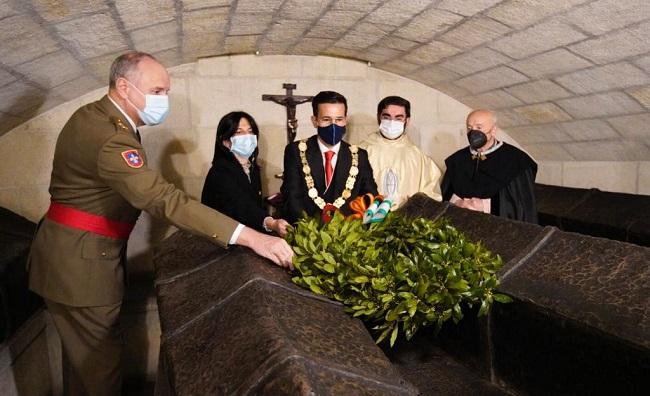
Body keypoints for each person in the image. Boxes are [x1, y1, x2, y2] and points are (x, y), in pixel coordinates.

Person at [27, 52, 293, 396]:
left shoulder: (97, 117)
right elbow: (164, 200)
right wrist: (253, 238)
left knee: (82, 366)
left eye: (166, 91)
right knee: (98, 372)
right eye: (157, 91)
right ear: (124, 87)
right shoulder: (111, 137)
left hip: (68, 255)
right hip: (81, 266)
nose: (163, 100)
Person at [281, 90, 377, 223]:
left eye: (339, 119)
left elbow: (369, 197)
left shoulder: (359, 155)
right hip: (307, 234)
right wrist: (311, 232)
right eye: (326, 119)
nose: (333, 125)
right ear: (314, 121)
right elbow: (292, 198)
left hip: (348, 235)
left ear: (345, 120)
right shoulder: (295, 151)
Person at [441, 109, 538, 223]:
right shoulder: (457, 159)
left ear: (493, 130)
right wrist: (457, 202)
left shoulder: (516, 160)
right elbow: (445, 193)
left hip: (497, 228)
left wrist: (484, 206)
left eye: (479, 127)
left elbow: (521, 205)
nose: (473, 133)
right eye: (469, 128)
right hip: (460, 223)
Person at [201, 111, 290, 235]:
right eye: (239, 132)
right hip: (225, 237)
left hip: (249, 233)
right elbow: (242, 207)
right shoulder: (220, 172)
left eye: (250, 131)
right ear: (225, 141)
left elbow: (255, 204)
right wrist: (271, 223)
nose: (247, 136)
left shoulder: (252, 168)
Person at [359, 96, 442, 208]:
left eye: (398, 118)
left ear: (407, 121)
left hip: (405, 221)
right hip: (366, 219)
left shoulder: (418, 157)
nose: (392, 122)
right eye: (387, 117)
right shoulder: (361, 151)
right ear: (379, 118)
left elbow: (431, 195)